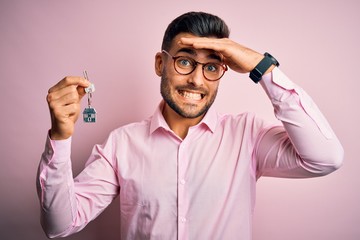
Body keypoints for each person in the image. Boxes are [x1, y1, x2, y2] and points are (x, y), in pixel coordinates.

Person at [36, 11, 344, 239]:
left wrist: (261, 67)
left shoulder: (247, 136)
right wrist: (60, 138)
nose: (197, 79)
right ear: (161, 64)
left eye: (211, 67)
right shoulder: (121, 144)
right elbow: (60, 224)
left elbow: (325, 158)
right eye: (184, 61)